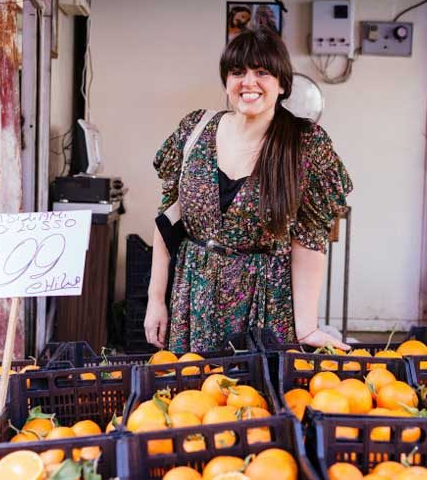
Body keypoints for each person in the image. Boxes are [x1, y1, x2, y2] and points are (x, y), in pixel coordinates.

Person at [144, 28, 352, 352]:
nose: (248, 82)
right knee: (197, 397)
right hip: (194, 297)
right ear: (226, 81)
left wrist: (307, 327)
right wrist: (156, 300)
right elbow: (168, 219)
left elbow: (310, 239)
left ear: (282, 84)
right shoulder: (195, 130)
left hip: (266, 304)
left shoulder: (305, 144)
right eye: (237, 72)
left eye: (262, 72)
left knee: (256, 398)